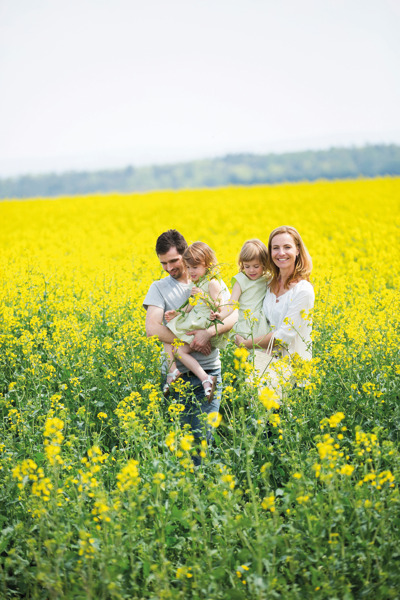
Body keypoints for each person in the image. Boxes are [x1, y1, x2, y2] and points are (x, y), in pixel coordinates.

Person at [143, 229, 236, 449]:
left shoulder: (212, 282)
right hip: (177, 377)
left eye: (173, 261)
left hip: (210, 372)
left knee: (203, 443)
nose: (169, 268)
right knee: (180, 446)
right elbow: (152, 329)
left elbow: (233, 316)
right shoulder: (159, 288)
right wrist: (191, 342)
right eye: (163, 263)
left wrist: (207, 334)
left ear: (185, 254)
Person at [235, 226, 314, 392]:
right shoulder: (268, 283)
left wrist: (245, 344)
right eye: (275, 248)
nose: (281, 253)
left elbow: (283, 337)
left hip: (293, 373)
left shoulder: (303, 290)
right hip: (263, 366)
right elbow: (245, 306)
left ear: (297, 250)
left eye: (287, 247)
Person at [163, 241, 227, 401]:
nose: (191, 271)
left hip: (203, 323)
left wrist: (203, 296)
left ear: (208, 265)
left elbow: (220, 308)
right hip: (195, 318)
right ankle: (204, 378)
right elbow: (191, 305)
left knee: (169, 334)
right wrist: (177, 313)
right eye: (188, 267)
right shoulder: (198, 283)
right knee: (177, 348)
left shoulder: (212, 283)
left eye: (195, 267)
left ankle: (172, 372)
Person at [211, 239, 270, 342]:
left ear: (264, 264)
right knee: (245, 349)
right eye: (247, 266)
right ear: (242, 264)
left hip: (263, 324)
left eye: (256, 266)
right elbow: (232, 304)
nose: (251, 270)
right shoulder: (240, 280)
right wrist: (221, 315)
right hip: (246, 324)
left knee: (262, 349)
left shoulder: (267, 278)